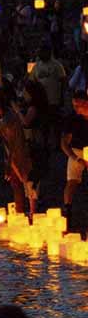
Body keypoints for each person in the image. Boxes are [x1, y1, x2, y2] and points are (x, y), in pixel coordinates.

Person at [0, 92, 36, 216]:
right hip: (19, 154)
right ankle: (26, 211)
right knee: (24, 185)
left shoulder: (6, 122)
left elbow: (11, 145)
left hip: (18, 156)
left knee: (22, 185)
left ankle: (25, 213)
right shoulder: (10, 116)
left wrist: (9, 166)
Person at [60, 91, 88, 222]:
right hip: (77, 151)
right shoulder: (72, 119)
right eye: (74, 105)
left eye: (79, 106)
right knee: (72, 180)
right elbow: (64, 143)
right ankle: (67, 209)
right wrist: (76, 158)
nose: (76, 109)